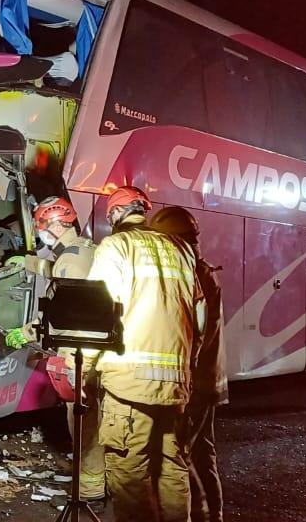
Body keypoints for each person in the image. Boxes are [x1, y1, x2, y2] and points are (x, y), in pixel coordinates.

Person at [87, 186, 203, 522]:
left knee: (129, 473)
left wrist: (79, 369)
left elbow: (98, 315)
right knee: (172, 468)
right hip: (176, 386)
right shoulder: (181, 249)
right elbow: (200, 317)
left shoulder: (116, 246)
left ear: (114, 215)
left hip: (129, 385)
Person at [152, 206, 227, 522]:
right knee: (202, 454)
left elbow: (197, 337)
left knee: (179, 458)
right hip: (209, 383)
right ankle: (215, 516)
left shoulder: (195, 276)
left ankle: (201, 515)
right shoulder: (202, 270)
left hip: (195, 385)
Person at [32, 196, 106, 502]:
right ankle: (94, 483)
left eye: (41, 227)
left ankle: (88, 491)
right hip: (92, 347)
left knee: (83, 423)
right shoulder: (84, 249)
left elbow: (67, 310)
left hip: (78, 350)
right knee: (91, 418)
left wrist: (29, 331)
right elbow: (58, 270)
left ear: (54, 225)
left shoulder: (70, 260)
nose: (41, 235)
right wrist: (30, 263)